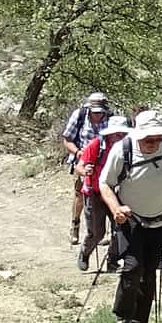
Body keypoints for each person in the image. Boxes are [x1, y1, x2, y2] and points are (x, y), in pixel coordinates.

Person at [100, 110, 162, 323]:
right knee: (132, 267)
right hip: (130, 218)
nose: (152, 143)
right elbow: (105, 183)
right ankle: (123, 320)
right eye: (148, 138)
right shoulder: (122, 150)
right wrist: (116, 208)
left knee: (149, 272)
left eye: (157, 138)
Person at [76, 115, 128, 272]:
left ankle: (112, 261)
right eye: (117, 134)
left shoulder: (128, 148)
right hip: (94, 192)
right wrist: (85, 171)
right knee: (97, 232)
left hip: (115, 193)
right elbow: (80, 166)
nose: (120, 137)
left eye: (123, 134)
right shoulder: (96, 145)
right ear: (109, 134)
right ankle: (85, 253)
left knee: (119, 228)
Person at [60, 92, 113, 244]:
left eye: (100, 112)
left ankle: (107, 231)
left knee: (106, 194)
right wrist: (78, 153)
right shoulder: (80, 115)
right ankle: (75, 226)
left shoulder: (110, 118)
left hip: (105, 162)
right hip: (82, 160)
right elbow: (67, 139)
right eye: (94, 112)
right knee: (80, 194)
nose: (97, 115)